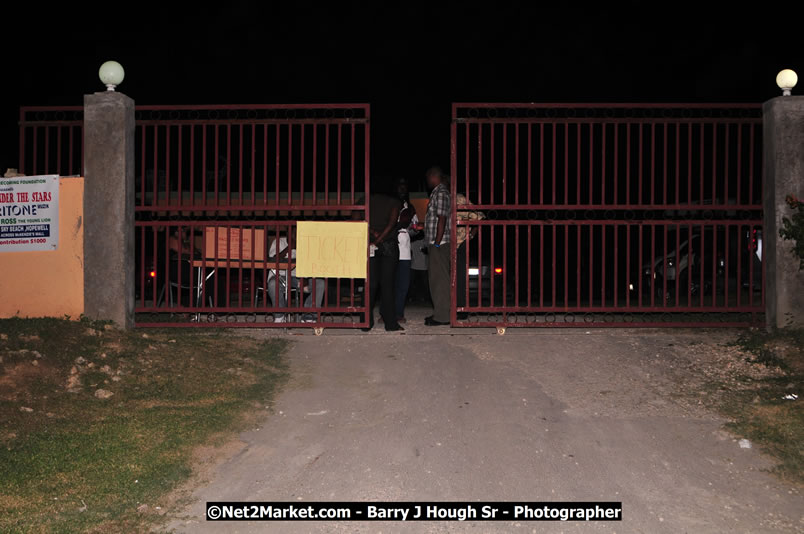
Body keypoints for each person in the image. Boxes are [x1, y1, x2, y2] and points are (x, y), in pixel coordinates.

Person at [266, 226, 325, 323]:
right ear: (287, 234)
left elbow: (311, 263)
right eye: (293, 234)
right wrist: (289, 248)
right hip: (281, 277)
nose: (295, 236)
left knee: (320, 283)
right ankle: (279, 315)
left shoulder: (307, 245)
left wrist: (306, 277)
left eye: (298, 234)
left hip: (301, 277)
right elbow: (273, 260)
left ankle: (309, 315)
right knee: (273, 283)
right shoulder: (279, 242)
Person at [365, 188, 404, 331]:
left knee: (371, 283)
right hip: (388, 245)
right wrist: (380, 239)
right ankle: (390, 323)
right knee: (387, 285)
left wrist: (373, 233)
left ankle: (366, 322)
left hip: (370, 243)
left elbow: (358, 217)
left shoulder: (367, 200)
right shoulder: (394, 201)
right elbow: (392, 223)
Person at [424, 166, 451, 326]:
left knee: (439, 279)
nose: (427, 180)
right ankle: (441, 313)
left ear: (434, 176)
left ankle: (442, 317)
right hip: (438, 242)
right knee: (438, 279)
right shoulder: (439, 192)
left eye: (428, 177)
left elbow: (442, 218)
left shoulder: (440, 192)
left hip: (440, 243)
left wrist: (437, 242)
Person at [455, 193, 485, 319]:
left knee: (460, 278)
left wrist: (471, 236)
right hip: (445, 243)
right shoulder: (441, 197)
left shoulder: (459, 199)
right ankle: (447, 309)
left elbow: (480, 217)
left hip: (460, 243)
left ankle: (461, 310)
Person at [394, 178, 417, 323]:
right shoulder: (389, 204)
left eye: (404, 188)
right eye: (400, 187)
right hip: (389, 247)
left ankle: (399, 313)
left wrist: (412, 229)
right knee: (389, 283)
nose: (402, 190)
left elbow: (414, 229)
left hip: (404, 250)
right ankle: (387, 314)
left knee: (403, 284)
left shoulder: (411, 208)